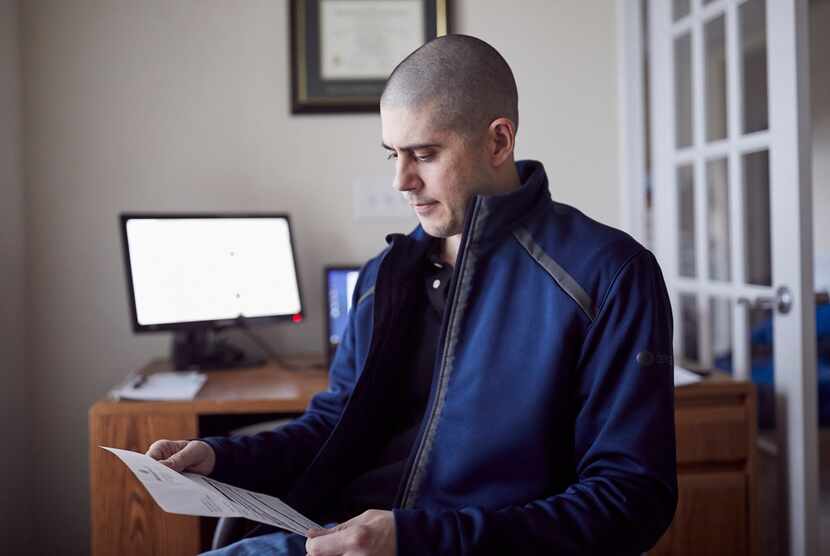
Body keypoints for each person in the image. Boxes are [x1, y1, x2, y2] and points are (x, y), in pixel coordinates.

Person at [147, 34, 678, 555]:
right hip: (332, 538)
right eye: (392, 155)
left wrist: (415, 540)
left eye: (424, 153)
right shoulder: (384, 275)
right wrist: (220, 458)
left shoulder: (611, 275)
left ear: (499, 141)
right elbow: (332, 425)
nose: (402, 180)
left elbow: (631, 500)